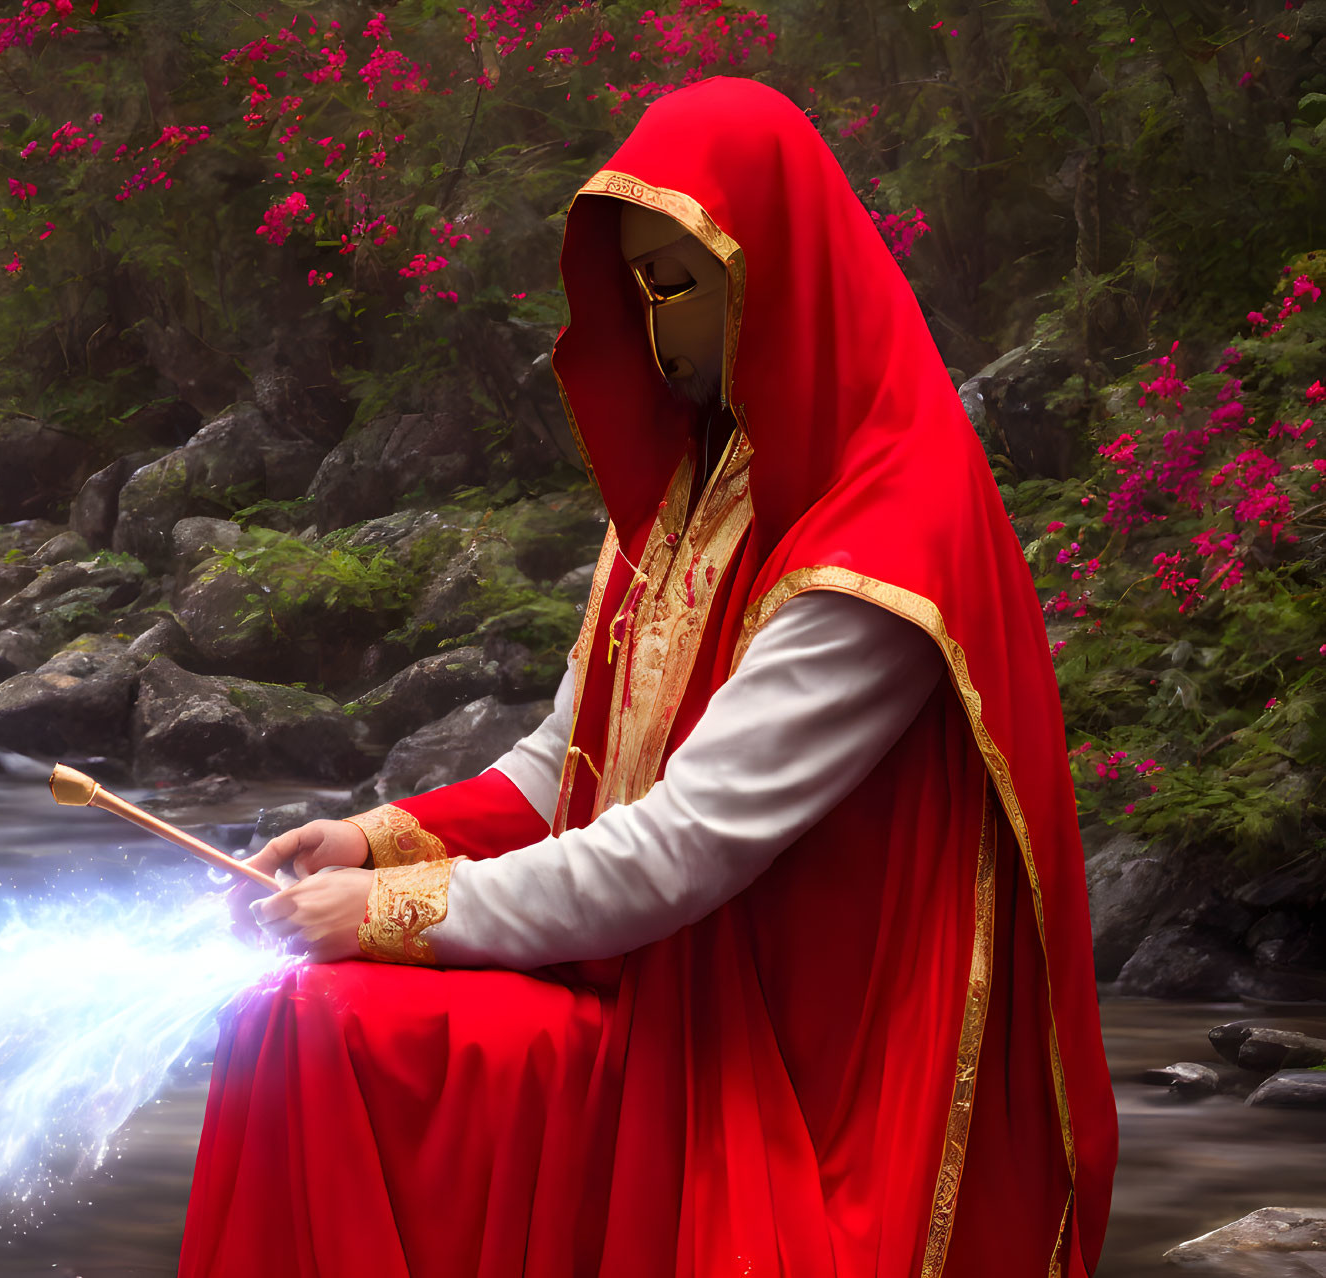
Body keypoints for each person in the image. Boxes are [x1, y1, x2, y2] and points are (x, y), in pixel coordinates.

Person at [178, 76, 1117, 1278]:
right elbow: (574, 754)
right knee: (298, 1012)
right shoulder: (692, 486)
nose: (654, 329)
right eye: (635, 289)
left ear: (768, 272)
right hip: (659, 981)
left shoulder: (887, 540)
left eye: (675, 285)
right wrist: (375, 841)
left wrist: (397, 917)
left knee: (327, 1011)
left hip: (794, 1078)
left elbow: (684, 843)